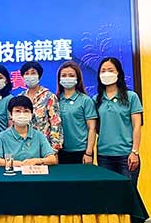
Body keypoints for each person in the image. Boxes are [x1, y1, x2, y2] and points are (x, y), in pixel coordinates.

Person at [93, 57, 143, 186]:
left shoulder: (131, 97)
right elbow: (94, 127)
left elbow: (137, 126)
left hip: (126, 155)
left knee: (128, 193)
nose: (106, 73)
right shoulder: (96, 99)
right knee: (108, 194)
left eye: (110, 70)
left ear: (118, 73)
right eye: (103, 71)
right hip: (104, 155)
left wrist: (134, 152)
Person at [0, 96, 58, 167]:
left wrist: (37, 161)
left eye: (26, 111)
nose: (22, 114)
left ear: (31, 114)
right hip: (11, 173)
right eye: (17, 111)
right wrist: (16, 163)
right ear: (10, 114)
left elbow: (52, 159)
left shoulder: (39, 136)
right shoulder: (2, 136)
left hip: (33, 173)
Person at [56, 61, 98, 164]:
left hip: (81, 151)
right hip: (60, 151)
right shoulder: (55, 100)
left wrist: (89, 152)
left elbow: (92, 128)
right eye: (64, 75)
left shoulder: (85, 100)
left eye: (71, 75)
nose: (67, 78)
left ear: (77, 78)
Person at [18, 61, 63, 152]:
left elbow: (55, 124)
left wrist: (54, 149)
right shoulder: (20, 97)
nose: (30, 76)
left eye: (33, 73)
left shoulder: (49, 96)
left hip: (45, 147)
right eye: (26, 73)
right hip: (24, 147)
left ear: (39, 75)